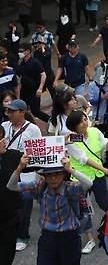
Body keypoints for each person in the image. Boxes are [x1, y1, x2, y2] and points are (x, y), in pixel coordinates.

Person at [8, 153, 92, 265]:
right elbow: (11, 186)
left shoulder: (70, 188)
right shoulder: (39, 187)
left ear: (63, 174)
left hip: (69, 238)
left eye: (57, 174)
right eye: (49, 175)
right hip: (47, 238)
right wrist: (19, 168)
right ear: (44, 177)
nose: (53, 178)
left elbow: (88, 183)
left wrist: (70, 169)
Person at [65, 110, 108, 254]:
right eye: (81, 122)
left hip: (97, 175)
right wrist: (104, 169)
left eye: (85, 119)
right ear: (74, 126)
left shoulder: (94, 131)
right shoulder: (71, 139)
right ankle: (89, 239)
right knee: (82, 210)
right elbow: (83, 159)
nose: (85, 123)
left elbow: (107, 147)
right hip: (80, 178)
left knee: (105, 203)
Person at [1, 99, 42, 253]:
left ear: (22, 112)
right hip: (8, 170)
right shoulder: (4, 126)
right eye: (8, 111)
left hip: (27, 172)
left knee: (25, 203)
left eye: (13, 111)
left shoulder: (33, 129)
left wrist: (40, 174)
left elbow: (38, 152)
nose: (9, 114)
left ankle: (22, 235)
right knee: (8, 201)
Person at [0, 125, 22, 264]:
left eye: (2, 137)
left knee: (6, 257)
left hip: (10, 218)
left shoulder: (12, 155)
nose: (2, 141)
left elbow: (36, 160)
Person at [16, 42, 48, 121]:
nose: (20, 53)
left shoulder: (35, 62)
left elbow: (43, 75)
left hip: (34, 91)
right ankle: (31, 125)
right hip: (24, 91)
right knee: (22, 110)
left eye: (21, 51)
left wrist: (40, 89)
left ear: (28, 51)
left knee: (36, 111)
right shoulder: (22, 63)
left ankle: (51, 121)